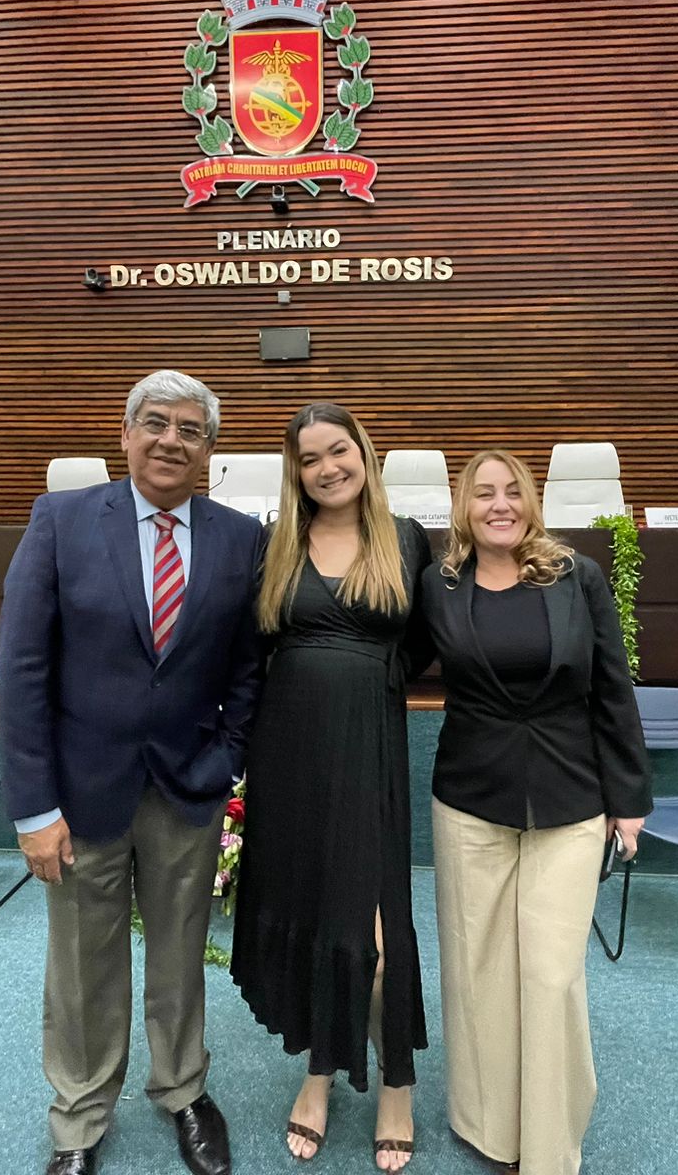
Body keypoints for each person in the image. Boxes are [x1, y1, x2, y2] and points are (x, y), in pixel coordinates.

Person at [0, 370, 265, 1175]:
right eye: (155, 423)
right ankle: (79, 1118)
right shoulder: (61, 520)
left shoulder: (240, 538)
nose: (171, 440)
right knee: (83, 965)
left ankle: (183, 1090)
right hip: (80, 795)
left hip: (188, 787)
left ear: (209, 451)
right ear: (125, 434)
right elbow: (22, 669)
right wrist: (33, 808)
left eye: (190, 430)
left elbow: (248, 669)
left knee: (181, 955)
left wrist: (227, 758)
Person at [419, 450, 651, 1175]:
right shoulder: (439, 584)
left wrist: (628, 799)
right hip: (470, 797)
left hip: (570, 795)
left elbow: (612, 687)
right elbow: (390, 662)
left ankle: (549, 1146)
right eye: (483, 493)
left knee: (551, 977)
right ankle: (490, 1127)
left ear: (531, 501)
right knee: (478, 970)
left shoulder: (577, 577)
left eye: (512, 491)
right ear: (463, 507)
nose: (500, 505)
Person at [231, 403, 431, 1172]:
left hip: (368, 750)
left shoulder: (405, 539)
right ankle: (318, 1070)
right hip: (289, 752)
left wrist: (364, 680)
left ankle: (396, 1082)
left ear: (363, 454)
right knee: (314, 913)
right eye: (309, 459)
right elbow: (252, 647)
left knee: (376, 937)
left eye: (338, 450)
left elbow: (424, 642)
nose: (327, 468)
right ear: (296, 472)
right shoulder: (276, 543)